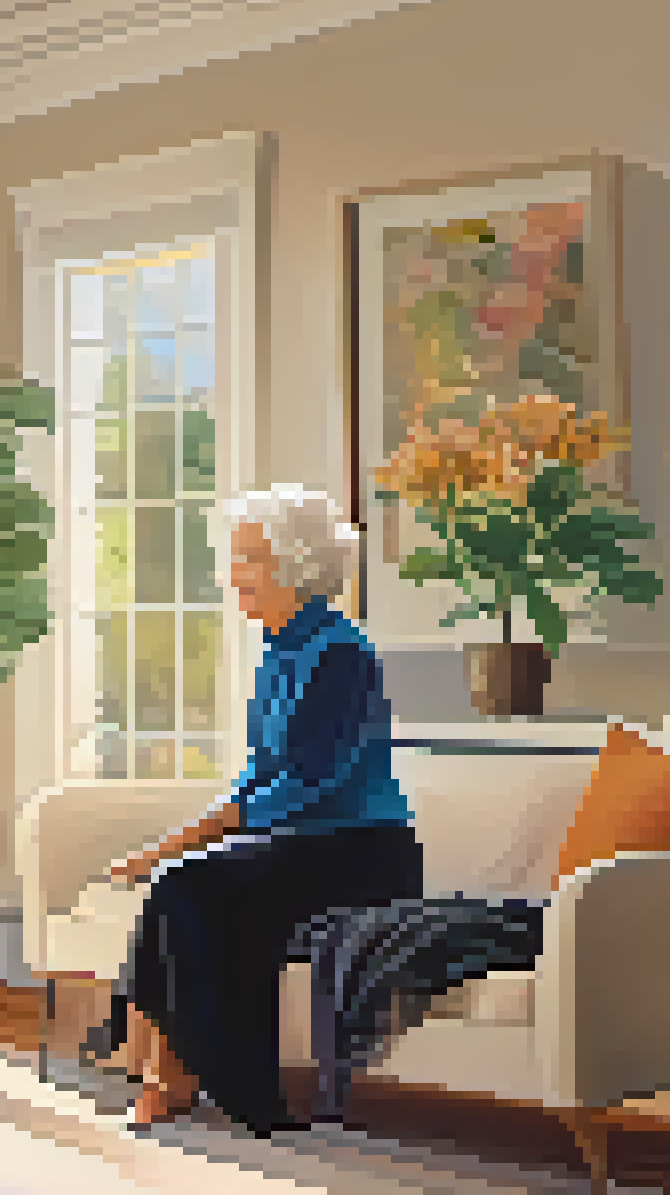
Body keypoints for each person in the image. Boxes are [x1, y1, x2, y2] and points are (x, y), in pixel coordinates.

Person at [100, 484, 423, 1135]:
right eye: (234, 557)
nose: (232, 575)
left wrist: (184, 843)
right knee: (182, 882)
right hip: (304, 841)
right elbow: (259, 773)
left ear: (297, 566)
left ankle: (209, 1085)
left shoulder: (339, 653)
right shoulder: (279, 650)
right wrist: (186, 839)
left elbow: (308, 784)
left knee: (190, 879)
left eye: (249, 558)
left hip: (361, 850)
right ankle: (168, 1072)